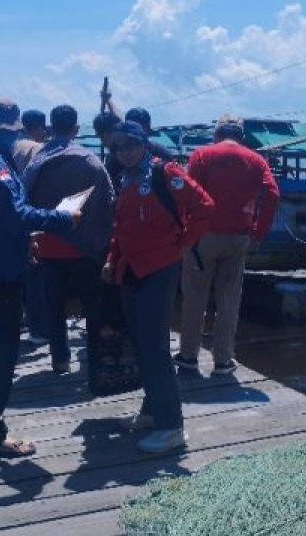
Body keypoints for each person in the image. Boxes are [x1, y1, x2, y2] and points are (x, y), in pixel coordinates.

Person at [0, 99, 81, 458]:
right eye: (16, 132)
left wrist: (24, 238)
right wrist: (61, 218)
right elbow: (17, 213)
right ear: (6, 131)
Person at [102, 121, 213, 453]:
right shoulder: (124, 180)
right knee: (141, 345)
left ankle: (172, 427)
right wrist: (112, 259)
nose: (123, 153)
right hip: (131, 270)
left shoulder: (165, 173)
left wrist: (184, 244)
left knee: (155, 349)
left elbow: (203, 206)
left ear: (143, 143)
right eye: (117, 148)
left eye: (129, 145)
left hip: (159, 269)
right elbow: (121, 228)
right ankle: (153, 412)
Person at [176, 115, 279, 375]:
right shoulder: (256, 160)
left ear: (216, 134)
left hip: (203, 236)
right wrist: (258, 232)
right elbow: (273, 194)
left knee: (195, 296)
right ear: (241, 137)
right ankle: (223, 360)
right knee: (229, 299)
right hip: (239, 237)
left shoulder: (201, 155)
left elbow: (189, 194)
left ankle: (188, 356)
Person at [22, 105, 115, 374]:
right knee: (92, 305)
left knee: (54, 306)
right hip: (86, 247)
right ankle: (98, 358)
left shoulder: (38, 160)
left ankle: (60, 359)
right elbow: (108, 202)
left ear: (51, 127)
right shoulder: (90, 160)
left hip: (49, 245)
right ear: (75, 128)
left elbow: (21, 201)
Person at [12, 109, 49, 345]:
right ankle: (38, 330)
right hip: (31, 216)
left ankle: (14, 323)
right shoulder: (37, 148)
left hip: (8, 216)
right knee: (36, 275)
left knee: (14, 274)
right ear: (41, 128)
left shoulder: (10, 146)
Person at [12, 109, 46, 174]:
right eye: (43, 129)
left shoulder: (12, 144)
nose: (44, 133)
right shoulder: (37, 147)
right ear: (39, 128)